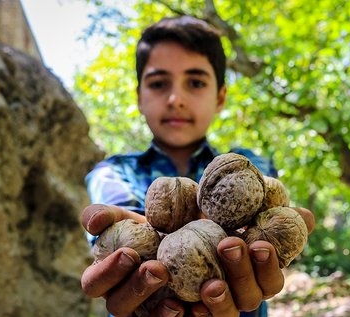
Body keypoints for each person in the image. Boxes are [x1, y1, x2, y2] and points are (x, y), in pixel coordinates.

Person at [81, 15, 315, 317]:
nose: (176, 99)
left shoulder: (250, 163)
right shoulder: (111, 172)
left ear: (220, 97)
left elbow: (268, 203)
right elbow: (128, 234)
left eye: (195, 82)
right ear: (139, 96)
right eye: (159, 83)